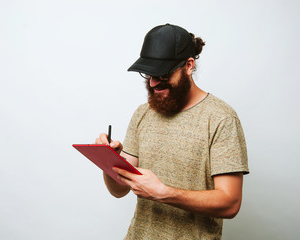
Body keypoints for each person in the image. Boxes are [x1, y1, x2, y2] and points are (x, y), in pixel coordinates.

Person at [95, 23, 249, 240]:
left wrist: (163, 193)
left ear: (188, 65)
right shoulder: (143, 113)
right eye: (148, 74)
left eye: (163, 74)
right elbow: (119, 190)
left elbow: (230, 203)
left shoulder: (221, 118)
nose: (154, 83)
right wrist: (110, 162)